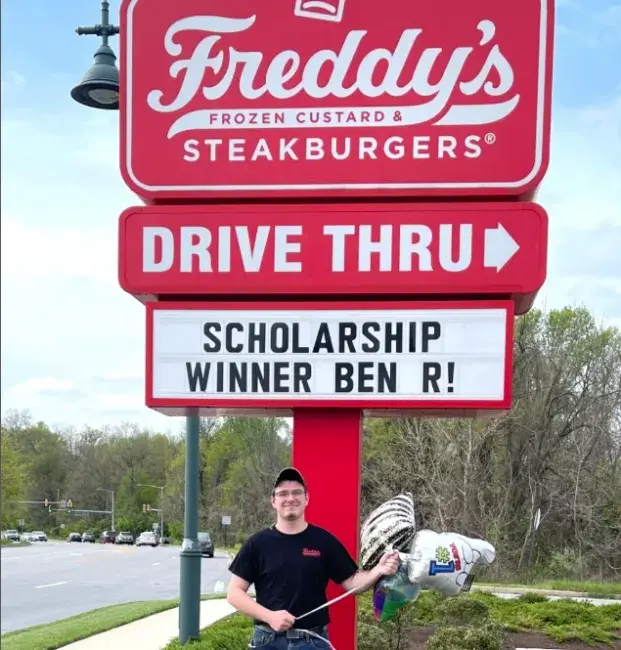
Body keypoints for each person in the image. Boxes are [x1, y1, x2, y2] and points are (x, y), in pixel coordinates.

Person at [227, 467, 399, 649]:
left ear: (306, 499)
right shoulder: (257, 544)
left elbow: (352, 582)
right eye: (283, 493)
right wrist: (270, 616)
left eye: (296, 492)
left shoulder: (323, 541)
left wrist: (378, 570)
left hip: (312, 641)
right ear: (273, 501)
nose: (290, 498)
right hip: (267, 641)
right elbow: (234, 593)